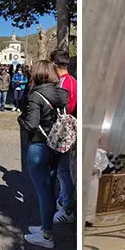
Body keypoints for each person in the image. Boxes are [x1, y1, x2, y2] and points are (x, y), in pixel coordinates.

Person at [17, 60, 68, 248]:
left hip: (39, 145)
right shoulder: (61, 93)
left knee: (43, 193)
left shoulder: (36, 95)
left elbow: (30, 123)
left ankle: (47, 236)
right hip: (56, 145)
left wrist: (20, 119)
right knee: (51, 187)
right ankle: (45, 226)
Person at [51, 51, 78, 224]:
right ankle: (63, 200)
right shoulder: (71, 81)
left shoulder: (65, 82)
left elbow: (63, 108)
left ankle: (66, 206)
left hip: (63, 129)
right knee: (63, 170)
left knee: (63, 171)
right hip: (66, 127)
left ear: (54, 65)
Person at [85, 148, 110, 228]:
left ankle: (88, 219)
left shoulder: (100, 152)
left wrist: (98, 170)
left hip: (93, 178)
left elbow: (104, 164)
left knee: (91, 198)